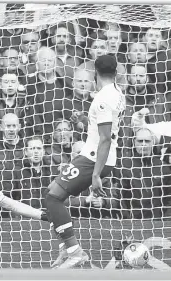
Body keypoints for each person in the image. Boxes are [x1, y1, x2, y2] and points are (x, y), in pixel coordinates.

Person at [44, 54, 125, 269]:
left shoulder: (102, 99)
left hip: (93, 158)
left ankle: (74, 251)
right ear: (116, 72)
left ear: (94, 73)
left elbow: (106, 138)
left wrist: (96, 175)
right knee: (52, 191)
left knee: (53, 198)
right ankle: (66, 248)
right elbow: (102, 131)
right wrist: (82, 122)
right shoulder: (117, 93)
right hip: (94, 154)